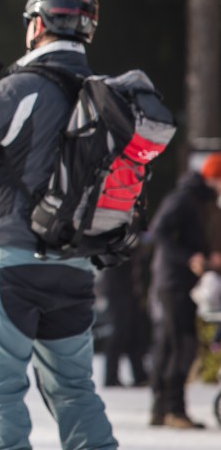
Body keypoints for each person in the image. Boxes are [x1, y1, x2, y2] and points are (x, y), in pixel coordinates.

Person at [0, 0, 117, 449]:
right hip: (76, 264)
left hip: (9, 260)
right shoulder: (102, 98)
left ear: (37, 23)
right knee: (75, 388)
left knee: (0, 388)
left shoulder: (23, 87)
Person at [147, 152, 221, 429]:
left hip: (185, 283)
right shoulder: (183, 198)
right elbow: (161, 233)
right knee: (181, 344)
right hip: (173, 282)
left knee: (169, 344)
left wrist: (207, 255)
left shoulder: (203, 201)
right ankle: (173, 410)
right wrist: (191, 258)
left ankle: (161, 409)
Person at [100, 247, 150, 387]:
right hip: (117, 291)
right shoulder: (117, 236)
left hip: (130, 292)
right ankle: (111, 377)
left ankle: (139, 375)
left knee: (134, 333)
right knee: (119, 333)